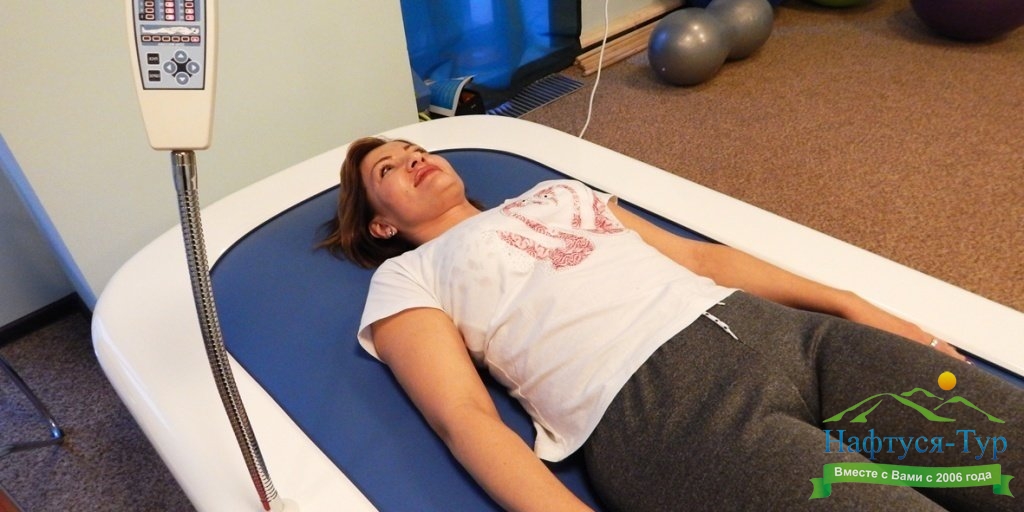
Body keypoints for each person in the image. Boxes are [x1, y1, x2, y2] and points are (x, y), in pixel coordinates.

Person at [319, 137, 1023, 511]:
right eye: (388, 168)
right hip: (665, 418)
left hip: (787, 338)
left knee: (1005, 446)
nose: (413, 158)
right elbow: (463, 417)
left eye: (414, 148)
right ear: (380, 223)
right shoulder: (407, 277)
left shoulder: (556, 193)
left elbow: (697, 257)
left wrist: (851, 306)